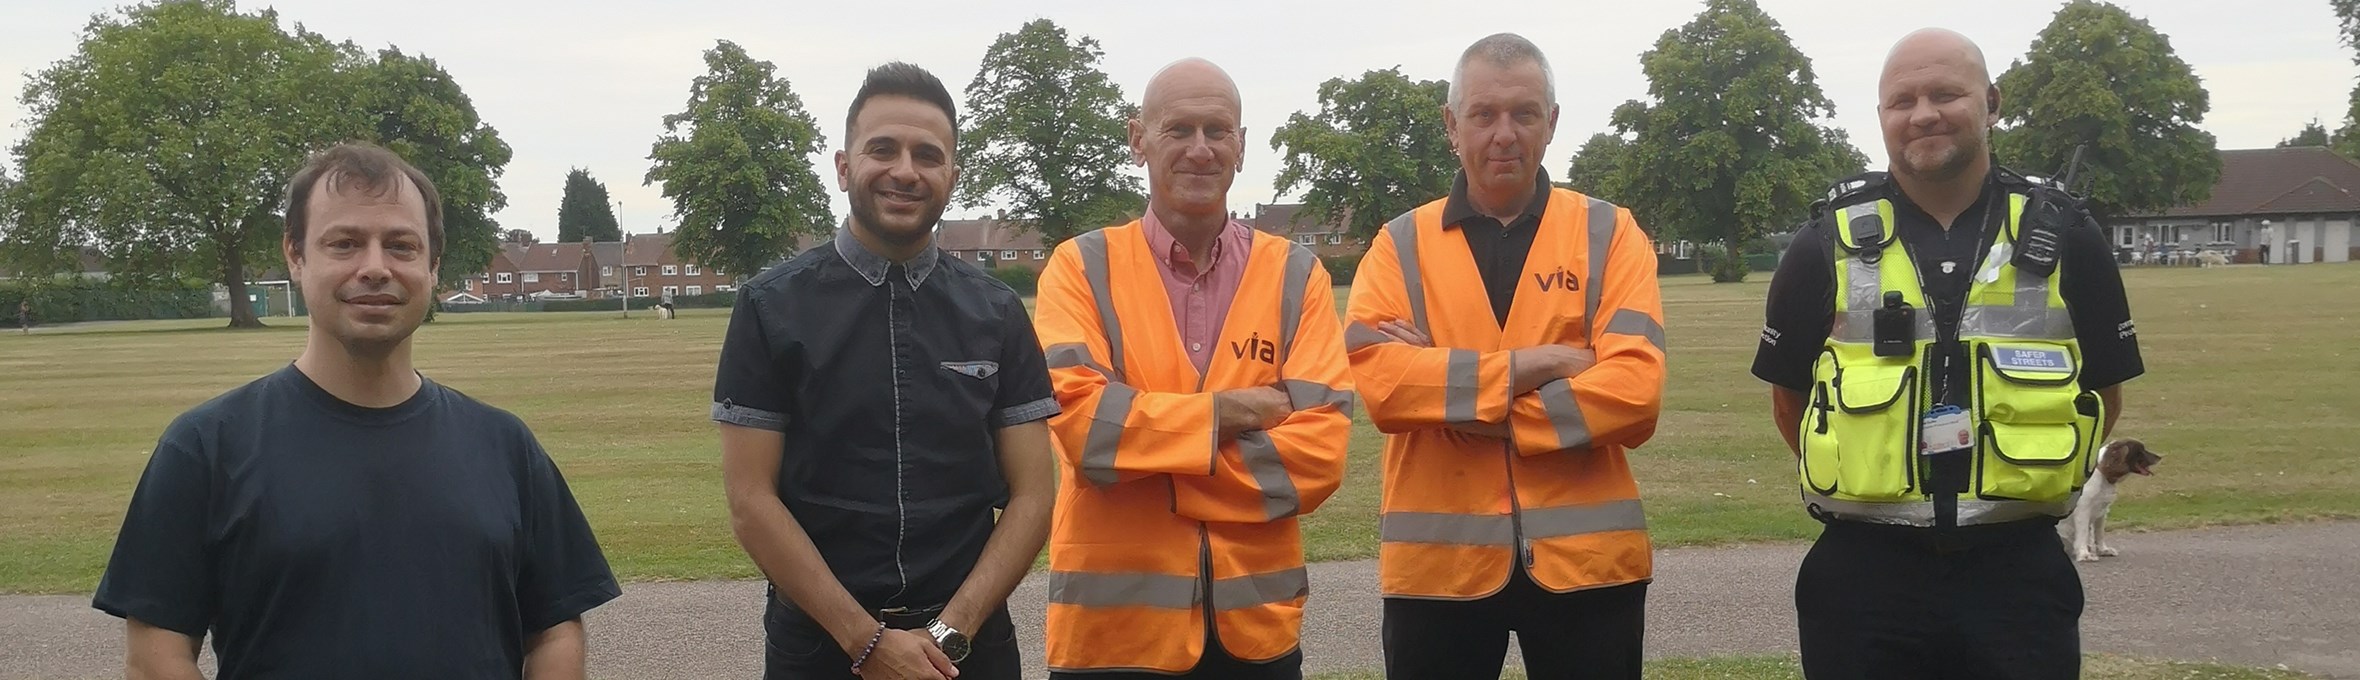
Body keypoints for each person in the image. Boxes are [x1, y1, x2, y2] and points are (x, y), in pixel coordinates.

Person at [92, 142, 621, 679]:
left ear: (433, 266)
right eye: (344, 243)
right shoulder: (207, 447)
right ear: (295, 256)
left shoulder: (505, 446)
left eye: (401, 246)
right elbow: (157, 653)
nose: (375, 268)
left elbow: (554, 629)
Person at [1754, 28, 2145, 679]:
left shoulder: (2069, 236)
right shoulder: (1822, 244)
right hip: (1862, 579)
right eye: (1902, 100)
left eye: (1945, 93)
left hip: (2017, 574)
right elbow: (1789, 401)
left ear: (1991, 102)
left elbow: (2103, 396)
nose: (1924, 113)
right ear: (1881, 117)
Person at [713, 62, 1056, 680]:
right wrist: (865, 642)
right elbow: (750, 500)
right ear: (844, 166)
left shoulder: (997, 312)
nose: (905, 170)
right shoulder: (770, 307)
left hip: (968, 646)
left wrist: (950, 633)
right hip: (818, 645)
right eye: (882, 149)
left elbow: (1034, 495)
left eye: (928, 154)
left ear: (952, 174)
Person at [1346, 33, 1667, 680]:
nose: (1504, 133)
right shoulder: (1398, 245)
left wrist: (1458, 400)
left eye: (1524, 113)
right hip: (1438, 572)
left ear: (1551, 123)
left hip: (1590, 568)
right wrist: (1543, 364)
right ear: (1450, 125)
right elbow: (1385, 388)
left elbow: (1634, 395)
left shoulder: (1610, 234)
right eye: (1483, 114)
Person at [1031, 57, 1354, 680]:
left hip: (1256, 635)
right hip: (1112, 635)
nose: (1200, 150)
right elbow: (1086, 432)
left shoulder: (1296, 274)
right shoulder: (1080, 268)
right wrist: (1236, 414)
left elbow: (1320, 456)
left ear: (1241, 144)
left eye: (1218, 130)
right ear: (1138, 140)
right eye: (1179, 129)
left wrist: (1151, 459)